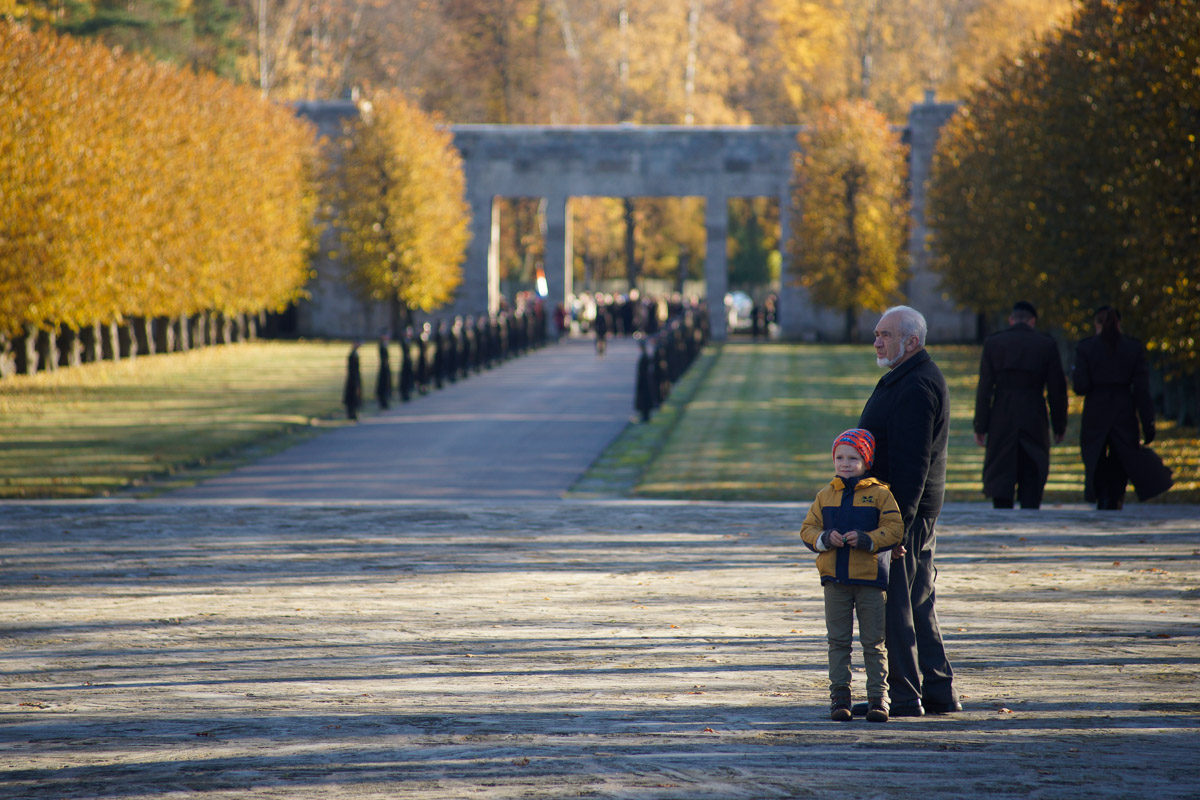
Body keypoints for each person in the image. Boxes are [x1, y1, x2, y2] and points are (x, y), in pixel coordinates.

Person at [857, 305, 960, 717]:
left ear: (911, 342)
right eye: (877, 333)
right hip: (911, 512)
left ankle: (903, 695)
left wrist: (893, 530)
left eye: (885, 334)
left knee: (896, 602)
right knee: (918, 599)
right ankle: (937, 689)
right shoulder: (910, 376)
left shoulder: (916, 386)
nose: (877, 340)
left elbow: (912, 466)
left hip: (903, 514)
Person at [800, 429, 904, 723]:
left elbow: (895, 528)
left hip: (870, 580)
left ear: (866, 461)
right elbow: (807, 529)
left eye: (853, 458)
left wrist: (868, 539)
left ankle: (878, 699)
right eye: (840, 457)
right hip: (835, 581)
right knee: (838, 641)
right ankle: (840, 697)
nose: (845, 463)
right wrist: (824, 538)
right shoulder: (825, 495)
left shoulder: (880, 495)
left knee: (874, 642)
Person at [1072, 306, 1173, 509]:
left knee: (1096, 453)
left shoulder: (1086, 348)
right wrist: (1148, 422)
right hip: (1123, 407)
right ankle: (1116, 495)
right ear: (1119, 323)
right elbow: (1142, 389)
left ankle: (1102, 495)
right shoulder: (1132, 348)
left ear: (1096, 323)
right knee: (1122, 453)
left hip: (1096, 408)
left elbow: (1080, 386)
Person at [973, 301, 1068, 509]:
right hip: (1034, 409)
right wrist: (1059, 425)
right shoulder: (1046, 344)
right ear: (1032, 321)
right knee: (1033, 463)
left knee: (1001, 463)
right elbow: (1056, 389)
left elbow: (985, 389)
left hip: (1002, 411)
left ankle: (1002, 507)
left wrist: (980, 426)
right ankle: (1030, 507)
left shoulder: (994, 343)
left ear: (1011, 319)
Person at [343, 340, 362, 421]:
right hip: (352, 379)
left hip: (355, 378)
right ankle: (351, 413)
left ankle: (353, 412)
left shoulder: (355, 355)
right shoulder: (352, 356)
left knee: (355, 397)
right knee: (352, 396)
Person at [376, 331, 392, 409]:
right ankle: (383, 401)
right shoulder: (382, 345)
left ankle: (385, 401)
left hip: (386, 368)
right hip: (383, 368)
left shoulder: (385, 344)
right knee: (383, 384)